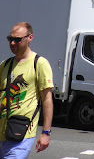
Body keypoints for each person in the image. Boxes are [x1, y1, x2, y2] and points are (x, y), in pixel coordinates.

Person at [1, 22, 54, 158]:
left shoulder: (39, 63)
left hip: (21, 133)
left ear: (30, 38)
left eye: (17, 40)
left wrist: (46, 132)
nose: (12, 43)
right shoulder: (5, 64)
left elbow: (47, 99)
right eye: (10, 39)